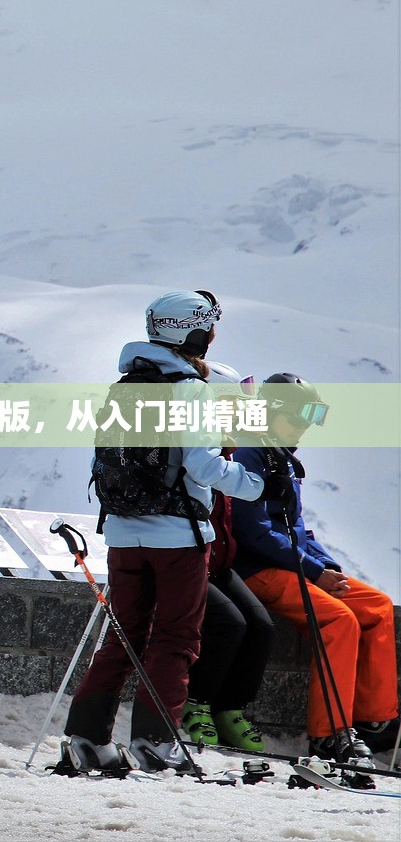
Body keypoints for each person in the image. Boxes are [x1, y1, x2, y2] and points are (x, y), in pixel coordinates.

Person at [61, 290, 266, 775]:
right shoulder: (188, 389)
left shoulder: (124, 384)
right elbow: (202, 464)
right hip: (178, 536)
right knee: (175, 639)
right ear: (193, 330)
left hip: (122, 534)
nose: (213, 335)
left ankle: (87, 739)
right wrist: (252, 484)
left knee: (123, 636)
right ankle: (156, 744)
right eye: (210, 325)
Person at [231, 373, 399, 766]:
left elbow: (297, 526)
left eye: (312, 415)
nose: (306, 424)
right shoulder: (249, 453)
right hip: (257, 568)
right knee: (338, 621)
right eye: (300, 414)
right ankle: (328, 736)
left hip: (291, 563)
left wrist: (327, 566)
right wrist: (311, 571)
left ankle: (376, 722)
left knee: (377, 606)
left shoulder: (282, 455)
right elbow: (253, 531)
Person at [180, 362, 274, 751]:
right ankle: (196, 703)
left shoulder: (225, 454)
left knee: (261, 625)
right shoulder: (201, 453)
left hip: (219, 564)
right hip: (190, 560)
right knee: (228, 624)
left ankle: (229, 707)